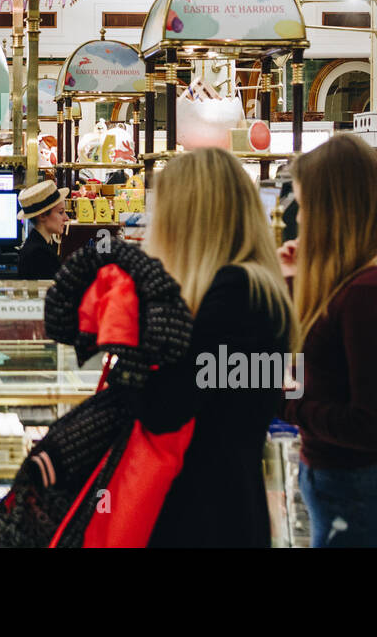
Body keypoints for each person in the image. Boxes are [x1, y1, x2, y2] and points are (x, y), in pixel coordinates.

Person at [278, 133, 377, 547]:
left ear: (334, 209)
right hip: (361, 488)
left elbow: (371, 426)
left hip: (372, 492)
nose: (303, 219)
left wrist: (285, 404)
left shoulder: (374, 291)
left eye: (307, 207)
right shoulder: (367, 280)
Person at [138, 147, 294, 547]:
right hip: (225, 508)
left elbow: (162, 408)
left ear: (190, 218)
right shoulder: (255, 288)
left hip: (203, 516)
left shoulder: (235, 295)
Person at [16, 180, 69, 280]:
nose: (66, 218)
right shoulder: (39, 253)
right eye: (61, 212)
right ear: (42, 216)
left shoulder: (38, 245)